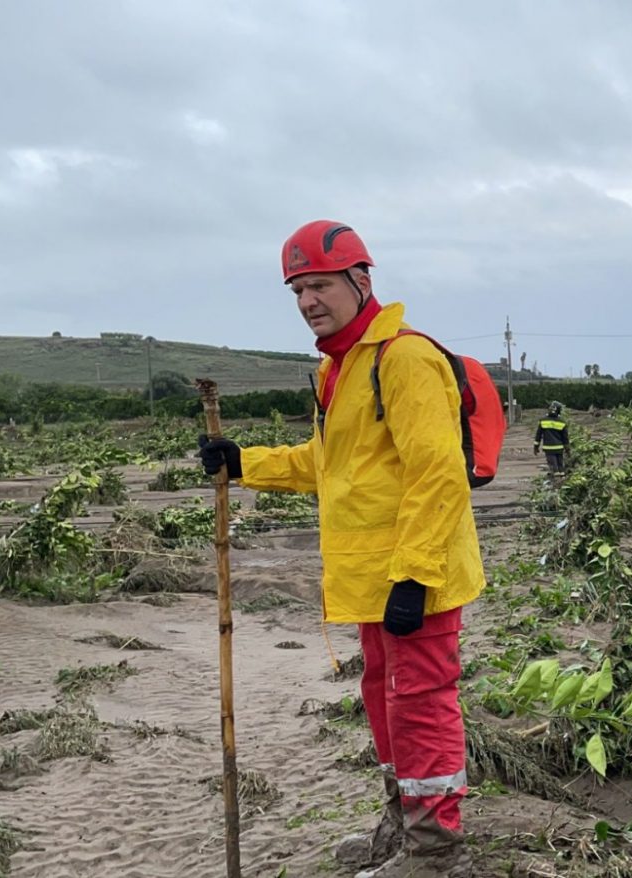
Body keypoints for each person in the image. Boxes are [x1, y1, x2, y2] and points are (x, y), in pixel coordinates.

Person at [197, 220, 481, 877]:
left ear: (361, 280)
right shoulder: (340, 368)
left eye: (319, 285)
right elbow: (332, 464)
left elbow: (437, 475)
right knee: (387, 703)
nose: (307, 302)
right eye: (297, 290)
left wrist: (414, 576)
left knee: (421, 704)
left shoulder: (402, 359)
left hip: (417, 578)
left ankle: (435, 853)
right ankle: (402, 825)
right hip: (372, 582)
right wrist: (246, 463)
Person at [534, 401, 569, 473]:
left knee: (553, 467)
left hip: (548, 448)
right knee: (560, 466)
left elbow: (538, 435)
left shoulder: (543, 421)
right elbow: (565, 438)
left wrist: (536, 447)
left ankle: (556, 480)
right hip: (559, 448)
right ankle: (562, 478)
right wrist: (567, 449)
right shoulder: (562, 422)